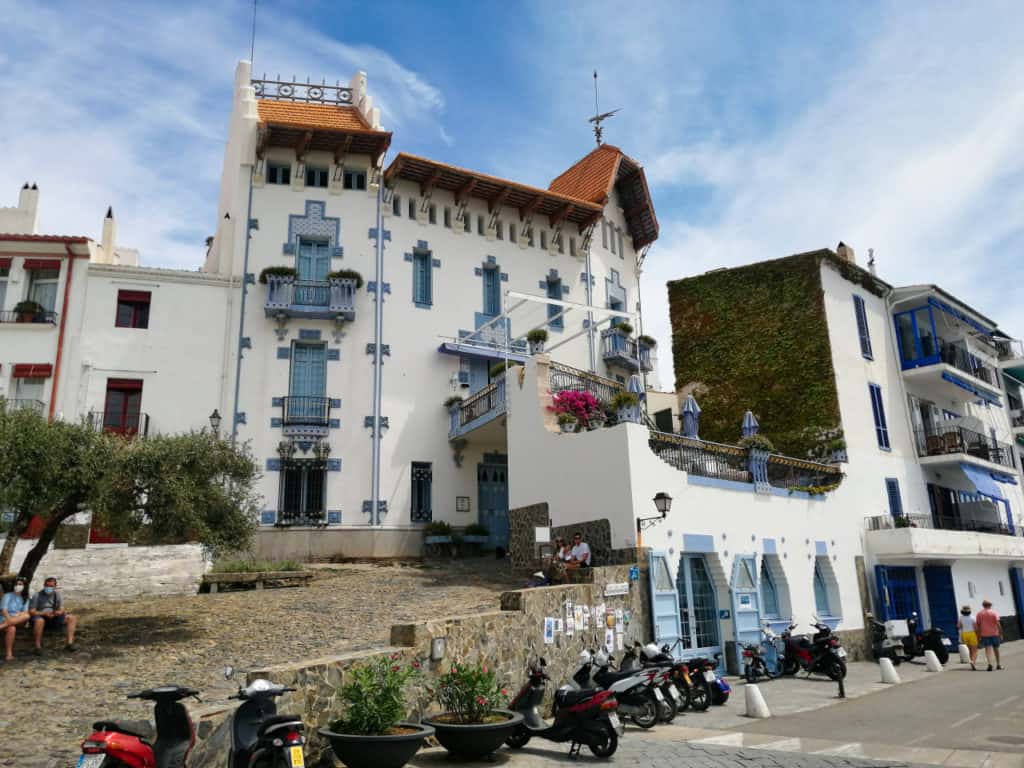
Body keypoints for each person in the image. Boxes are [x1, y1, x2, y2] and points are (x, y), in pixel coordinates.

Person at [29, 577, 77, 655]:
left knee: (72, 618)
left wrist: (58, 612)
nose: (48, 588)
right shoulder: (37, 595)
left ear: (55, 586)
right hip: (41, 616)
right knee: (39, 621)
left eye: (51, 586)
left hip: (53, 616)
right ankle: (37, 646)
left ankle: (69, 643)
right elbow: (32, 611)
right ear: (44, 585)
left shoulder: (57, 595)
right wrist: (44, 614)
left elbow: (61, 608)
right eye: (47, 585)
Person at [1, 578, 32, 661]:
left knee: (27, 616)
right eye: (16, 584)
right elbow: (4, 611)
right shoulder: (7, 595)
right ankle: (9, 654)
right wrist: (9, 620)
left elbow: (25, 612)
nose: (18, 586)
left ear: (24, 586)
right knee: (12, 628)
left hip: (18, 620)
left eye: (20, 584)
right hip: (5, 618)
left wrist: (17, 615)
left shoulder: (26, 598)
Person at [975, 599, 1002, 671]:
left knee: (987, 649)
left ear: (983, 605)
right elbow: (998, 624)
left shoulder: (979, 613)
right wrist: (1001, 633)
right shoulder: (994, 613)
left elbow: (978, 625)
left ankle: (990, 664)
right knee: (996, 649)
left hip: (984, 634)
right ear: (990, 605)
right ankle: (998, 664)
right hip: (994, 633)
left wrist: (978, 635)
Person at [957, 604, 978, 671]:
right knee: (974, 650)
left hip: (964, 634)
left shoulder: (960, 617)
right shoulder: (973, 617)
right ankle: (973, 662)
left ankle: (971, 661)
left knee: (970, 650)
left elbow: (958, 626)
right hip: (972, 633)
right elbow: (975, 628)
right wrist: (978, 635)